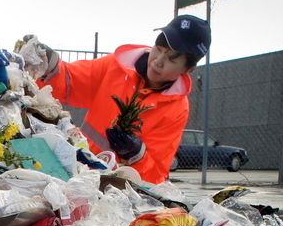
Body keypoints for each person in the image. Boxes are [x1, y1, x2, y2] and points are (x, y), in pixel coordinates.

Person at [28, 15, 211, 184]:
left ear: (188, 69)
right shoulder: (118, 67)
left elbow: (155, 176)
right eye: (159, 49)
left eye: (171, 59)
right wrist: (49, 65)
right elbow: (70, 82)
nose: (158, 61)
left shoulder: (176, 109)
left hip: (115, 188)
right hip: (75, 165)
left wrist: (136, 155)